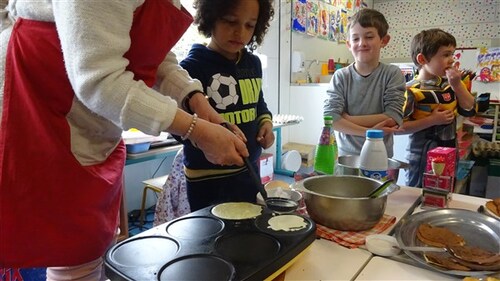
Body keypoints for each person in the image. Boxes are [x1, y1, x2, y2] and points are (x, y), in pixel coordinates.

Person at [0, 0, 249, 279]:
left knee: (82, 249)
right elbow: (101, 81)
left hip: (90, 122)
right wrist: (195, 130)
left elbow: (151, 51)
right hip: (35, 109)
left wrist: (196, 100)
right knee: (67, 249)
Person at [178, 0, 275, 211]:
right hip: (207, 179)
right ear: (211, 17)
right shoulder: (190, 68)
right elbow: (179, 129)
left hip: (249, 172)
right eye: (231, 21)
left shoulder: (253, 64)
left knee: (251, 233)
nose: (240, 32)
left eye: (249, 25)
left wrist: (265, 122)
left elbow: (258, 103)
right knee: (212, 238)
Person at [398, 28, 476, 187]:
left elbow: (470, 108)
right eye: (446, 55)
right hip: (421, 157)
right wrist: (432, 120)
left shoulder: (451, 85)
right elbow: (399, 128)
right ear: (422, 59)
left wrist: (457, 85)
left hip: (449, 153)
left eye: (452, 54)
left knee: (444, 193)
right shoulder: (410, 90)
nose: (452, 60)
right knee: (418, 196)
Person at [323, 8, 406, 158]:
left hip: (381, 155)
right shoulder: (341, 76)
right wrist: (368, 133)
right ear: (348, 44)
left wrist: (347, 119)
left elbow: (393, 117)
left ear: (384, 40)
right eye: (355, 39)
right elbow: (330, 118)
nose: (362, 43)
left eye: (369, 37)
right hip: (346, 156)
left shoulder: (392, 74)